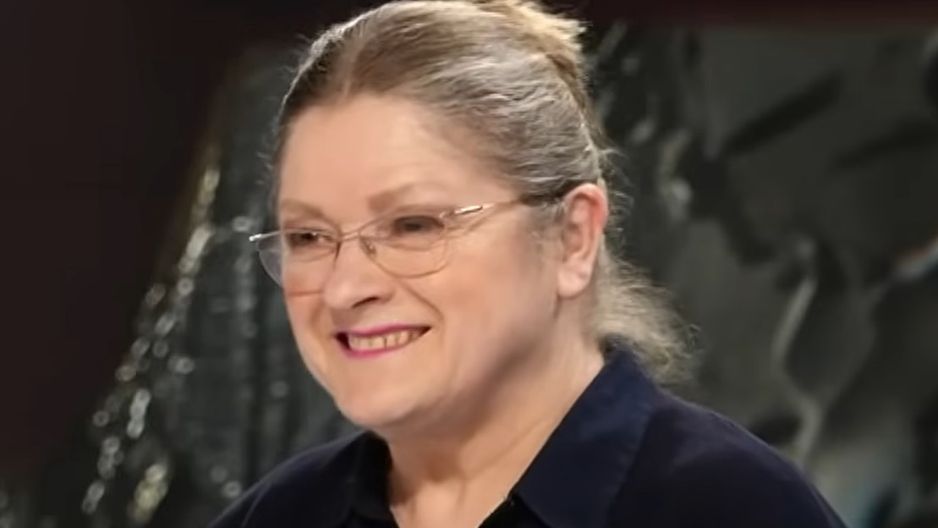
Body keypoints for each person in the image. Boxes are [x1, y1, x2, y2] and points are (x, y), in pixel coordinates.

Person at [210, 1, 847, 526]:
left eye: (413, 226)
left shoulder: (732, 509)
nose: (345, 288)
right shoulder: (277, 517)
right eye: (309, 236)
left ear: (573, 237)